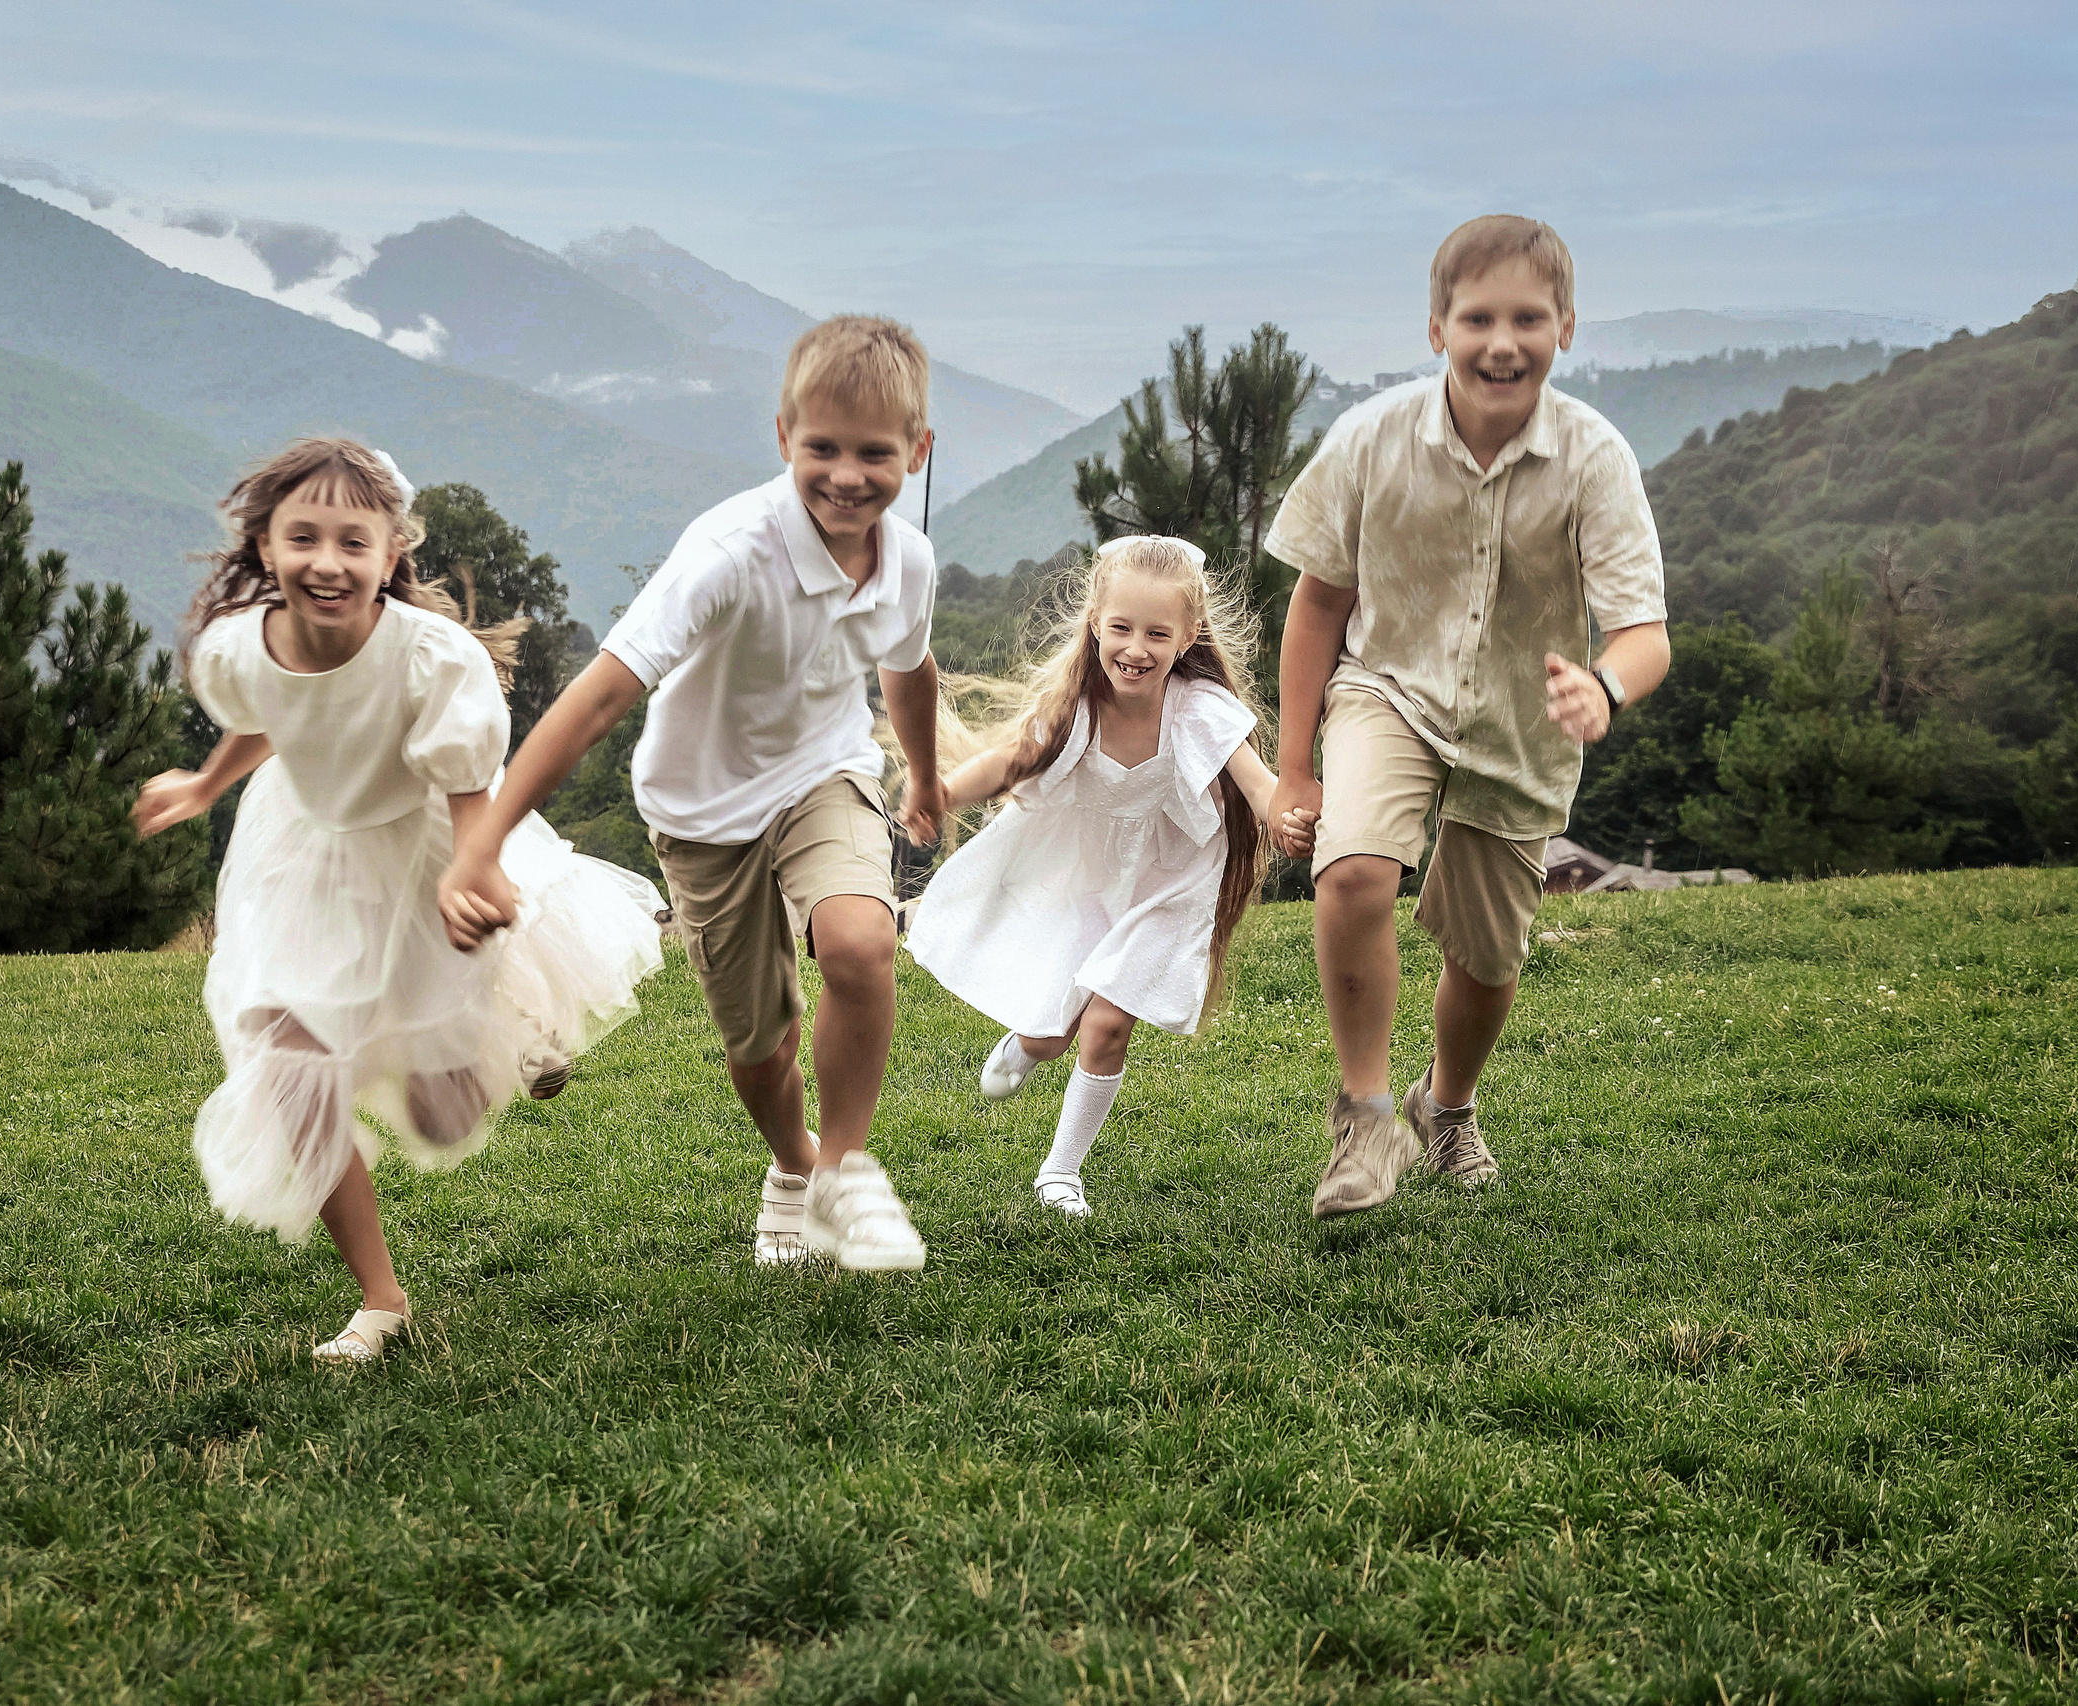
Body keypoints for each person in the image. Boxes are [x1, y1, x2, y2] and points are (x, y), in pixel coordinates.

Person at [134, 438, 664, 1362]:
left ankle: (511, 1023)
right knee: (286, 1059)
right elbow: (268, 710)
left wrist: (474, 870)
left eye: (353, 541)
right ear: (265, 548)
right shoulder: (236, 649)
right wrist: (204, 785)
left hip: (420, 850)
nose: (327, 562)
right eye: (303, 538)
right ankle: (381, 1301)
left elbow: (468, 788)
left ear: (390, 554)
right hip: (299, 856)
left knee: (442, 1118)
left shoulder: (431, 660)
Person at [438, 316, 945, 1272]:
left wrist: (918, 771)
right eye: (821, 447)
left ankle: (843, 1171)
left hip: (822, 774)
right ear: (782, 435)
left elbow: (908, 669)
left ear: (918, 451)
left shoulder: (906, 561)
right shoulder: (727, 551)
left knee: (859, 938)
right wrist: (484, 843)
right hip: (700, 811)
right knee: (761, 1045)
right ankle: (793, 1165)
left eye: (875, 453)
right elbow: (597, 700)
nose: (846, 475)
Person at [1267, 214, 1672, 1218]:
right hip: (1387, 689)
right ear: (1436, 327)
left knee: (1486, 961)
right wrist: (1294, 767)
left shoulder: (1593, 458)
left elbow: (1643, 634)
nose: (1503, 340)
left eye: (1527, 318)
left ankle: (1444, 1107)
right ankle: (1366, 1115)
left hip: (1520, 725)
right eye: (1478, 316)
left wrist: (1603, 686)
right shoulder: (1369, 440)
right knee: (1354, 869)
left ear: (1566, 328)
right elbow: (1317, 603)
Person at [907, 536, 1298, 1218]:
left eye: (1156, 633)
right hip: (1089, 878)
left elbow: (1260, 787)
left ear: (1190, 635)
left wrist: (1284, 816)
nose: (1135, 648)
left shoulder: (1201, 711)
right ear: (1095, 623)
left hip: (1167, 888)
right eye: (1121, 627)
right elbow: (1008, 762)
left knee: (1108, 1023)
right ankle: (1031, 1044)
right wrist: (940, 793)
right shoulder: (1078, 708)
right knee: (1054, 1033)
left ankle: (1060, 1174)